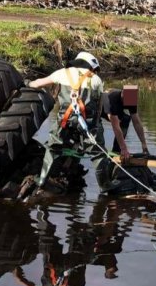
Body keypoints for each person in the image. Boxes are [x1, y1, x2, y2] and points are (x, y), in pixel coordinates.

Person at [29, 51, 104, 187]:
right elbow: (99, 108)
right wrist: (96, 127)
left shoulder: (62, 72)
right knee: (98, 153)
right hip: (86, 122)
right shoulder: (97, 79)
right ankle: (105, 186)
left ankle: (41, 180)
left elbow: (38, 84)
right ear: (91, 66)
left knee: (52, 147)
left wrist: (27, 83)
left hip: (64, 119)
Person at [99, 86, 149, 161]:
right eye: (125, 99)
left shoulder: (130, 97)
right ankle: (120, 150)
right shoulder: (112, 99)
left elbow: (137, 122)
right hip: (100, 108)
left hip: (115, 109)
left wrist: (144, 144)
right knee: (116, 123)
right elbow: (115, 126)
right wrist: (124, 148)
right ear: (122, 93)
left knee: (125, 119)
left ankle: (116, 150)